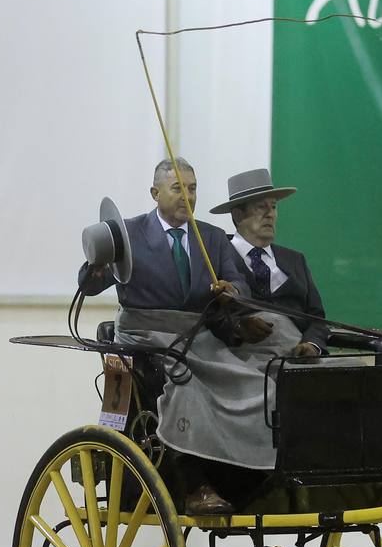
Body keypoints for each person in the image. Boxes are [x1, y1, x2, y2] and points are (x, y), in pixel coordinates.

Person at [78, 156, 272, 514]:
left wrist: (233, 290)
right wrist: (97, 261)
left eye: (193, 188)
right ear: (155, 193)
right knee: (184, 387)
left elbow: (241, 283)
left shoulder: (211, 237)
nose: (188, 196)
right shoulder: (128, 234)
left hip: (201, 339)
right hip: (146, 341)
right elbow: (91, 283)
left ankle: (251, 478)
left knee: (258, 384)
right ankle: (194, 485)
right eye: (178, 188)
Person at [211, 168, 329, 358]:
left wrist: (312, 344)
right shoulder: (216, 257)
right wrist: (239, 327)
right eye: (261, 207)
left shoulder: (295, 260)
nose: (270, 214)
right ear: (238, 215)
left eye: (273, 207)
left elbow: (317, 318)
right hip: (242, 359)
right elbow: (210, 317)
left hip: (297, 360)